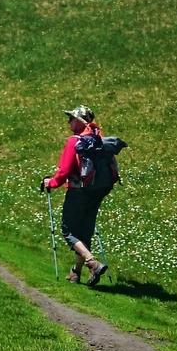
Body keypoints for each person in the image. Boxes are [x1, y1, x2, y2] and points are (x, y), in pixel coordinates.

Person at [41, 105, 111, 286]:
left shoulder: (75, 141)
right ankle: (75, 272)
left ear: (80, 121)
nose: (68, 121)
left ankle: (92, 263)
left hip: (78, 191)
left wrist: (52, 183)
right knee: (85, 232)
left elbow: (64, 171)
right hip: (97, 191)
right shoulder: (99, 140)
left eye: (71, 118)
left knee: (69, 231)